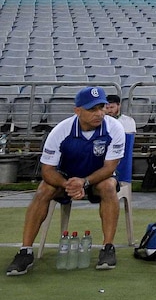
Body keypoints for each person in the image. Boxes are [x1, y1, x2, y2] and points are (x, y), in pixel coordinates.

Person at [5, 87, 125, 276]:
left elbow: (110, 167)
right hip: (66, 179)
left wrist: (84, 182)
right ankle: (25, 251)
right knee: (44, 190)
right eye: (92, 109)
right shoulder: (61, 131)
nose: (99, 113)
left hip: (96, 178)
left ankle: (108, 248)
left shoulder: (114, 128)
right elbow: (47, 170)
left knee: (109, 186)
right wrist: (68, 184)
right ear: (78, 110)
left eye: (101, 107)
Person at [105, 94, 137, 184]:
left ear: (119, 105)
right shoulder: (102, 121)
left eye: (112, 107)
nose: (109, 110)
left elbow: (128, 147)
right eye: (107, 108)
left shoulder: (128, 121)